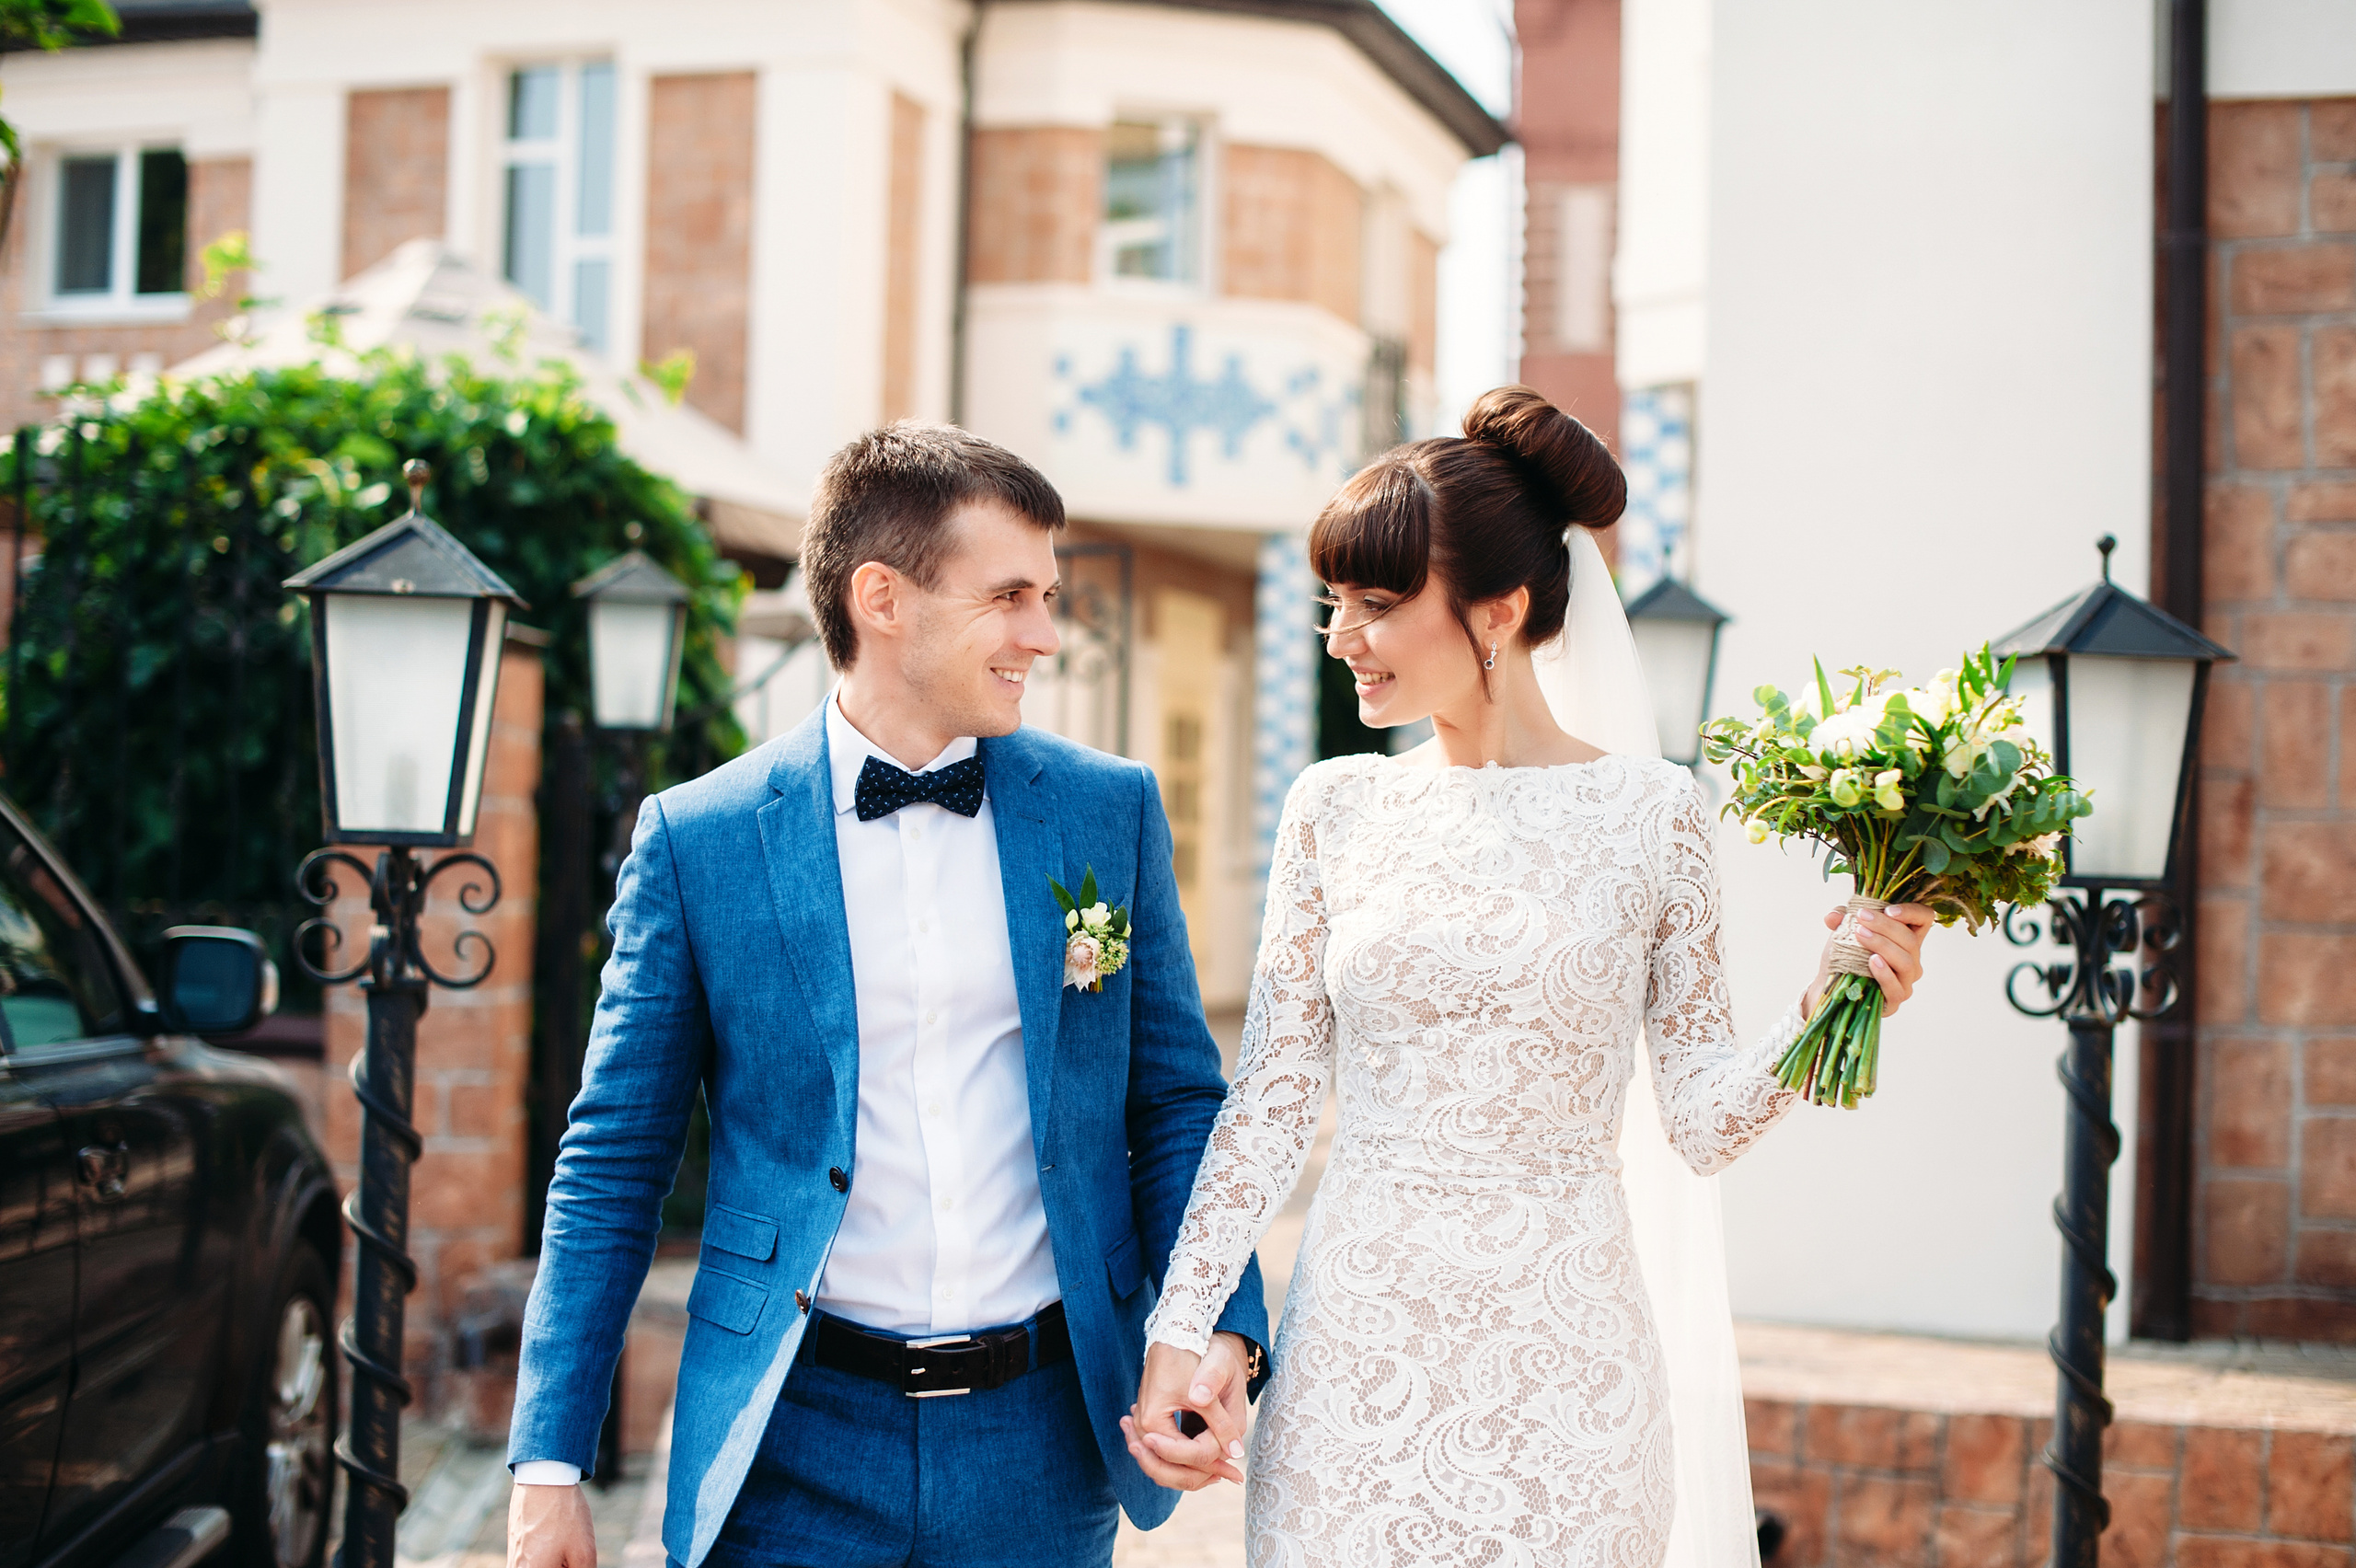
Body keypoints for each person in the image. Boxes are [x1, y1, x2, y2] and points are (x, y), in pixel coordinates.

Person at [1121, 386, 1934, 1567]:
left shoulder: (1655, 816)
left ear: (1497, 612)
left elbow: (1701, 1123)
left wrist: (1826, 1009)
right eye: (1333, 603)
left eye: (1380, 605)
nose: (1341, 635)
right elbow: (1271, 1103)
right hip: (1359, 1358)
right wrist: (1182, 1320)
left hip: (1569, 1367)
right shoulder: (1334, 808)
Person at [504, 422, 1268, 1568]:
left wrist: (1216, 1318)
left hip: (1041, 1439)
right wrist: (549, 1464)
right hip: (788, 1443)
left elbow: (1172, 1104)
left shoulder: (1106, 812)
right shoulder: (699, 840)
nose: (1044, 636)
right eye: (1009, 595)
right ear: (882, 598)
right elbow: (613, 1159)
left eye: (1048, 596)